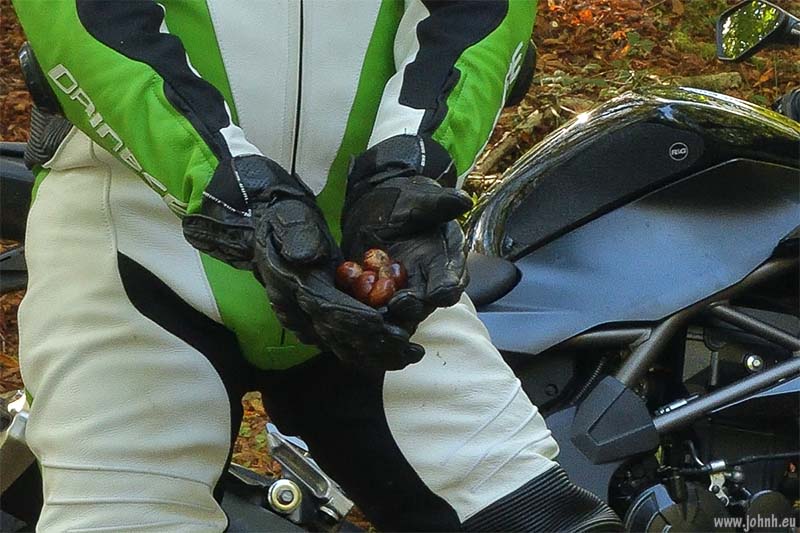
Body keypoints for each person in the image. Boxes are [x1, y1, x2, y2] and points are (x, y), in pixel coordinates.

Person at [12, 1, 622, 531]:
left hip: (364, 257)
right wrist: (229, 185)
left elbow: (478, 13)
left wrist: (410, 167)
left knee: (535, 516)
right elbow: (84, 21)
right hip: (139, 247)